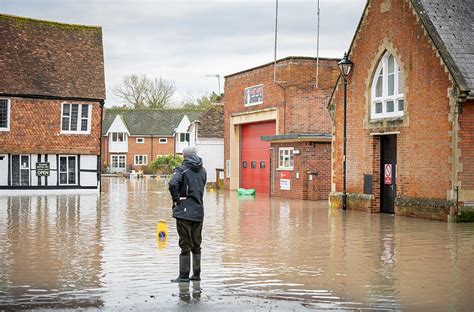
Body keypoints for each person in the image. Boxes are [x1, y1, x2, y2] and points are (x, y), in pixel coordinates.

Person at [168, 146, 207, 283]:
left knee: (185, 244)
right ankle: (196, 275)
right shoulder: (203, 170)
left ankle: (184, 276)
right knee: (197, 244)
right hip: (198, 211)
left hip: (184, 212)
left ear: (184, 156)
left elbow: (172, 183)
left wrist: (176, 198)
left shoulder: (182, 169)